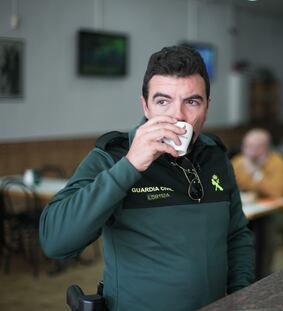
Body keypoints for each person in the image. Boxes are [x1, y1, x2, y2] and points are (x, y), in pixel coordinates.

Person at [39, 46, 254, 311]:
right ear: (146, 106)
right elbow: (55, 242)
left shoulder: (216, 155)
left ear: (207, 106)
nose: (177, 116)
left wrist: (241, 296)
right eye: (163, 101)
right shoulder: (113, 157)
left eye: (192, 101)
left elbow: (236, 236)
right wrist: (130, 165)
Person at [231, 128, 283, 278]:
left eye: (253, 147)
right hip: (251, 212)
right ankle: (238, 274)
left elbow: (277, 192)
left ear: (264, 148)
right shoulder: (239, 162)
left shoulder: (278, 163)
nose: (247, 151)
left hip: (280, 214)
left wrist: (255, 172)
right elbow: (228, 186)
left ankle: (262, 275)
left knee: (266, 226)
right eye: (245, 146)